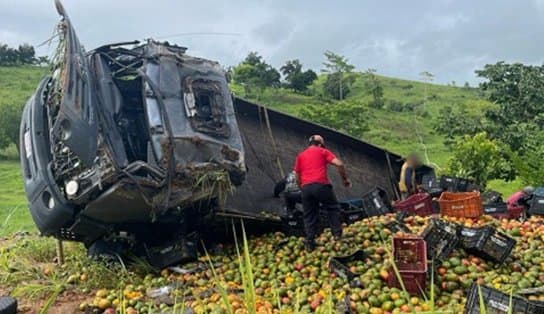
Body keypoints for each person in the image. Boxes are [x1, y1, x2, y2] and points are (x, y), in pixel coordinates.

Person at [293, 134, 351, 252]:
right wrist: (345, 179)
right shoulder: (322, 151)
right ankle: (337, 236)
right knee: (333, 208)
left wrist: (303, 188)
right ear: (320, 144)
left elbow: (297, 176)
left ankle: (310, 242)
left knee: (309, 215)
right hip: (321, 185)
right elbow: (339, 164)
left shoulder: (300, 156)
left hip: (306, 188)